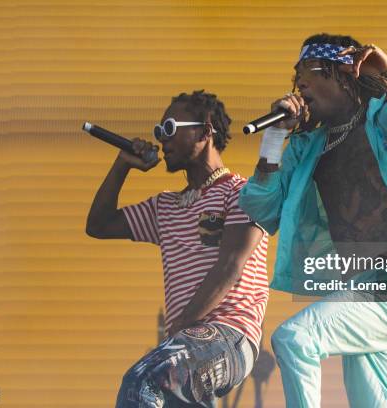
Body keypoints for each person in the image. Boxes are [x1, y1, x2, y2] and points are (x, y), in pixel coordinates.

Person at [239, 33, 387, 407]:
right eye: (297, 77)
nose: (301, 84)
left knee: (295, 338)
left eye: (312, 72)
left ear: (346, 74)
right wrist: (275, 135)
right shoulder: (307, 146)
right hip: (354, 286)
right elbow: (261, 209)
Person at [86, 90, 268, 407]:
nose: (162, 140)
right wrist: (122, 165)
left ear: (205, 129)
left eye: (169, 128)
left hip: (228, 335)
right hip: (185, 342)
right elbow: (98, 225)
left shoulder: (242, 192)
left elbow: (229, 269)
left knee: (141, 381)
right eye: (159, 133)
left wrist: (179, 329)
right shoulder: (166, 206)